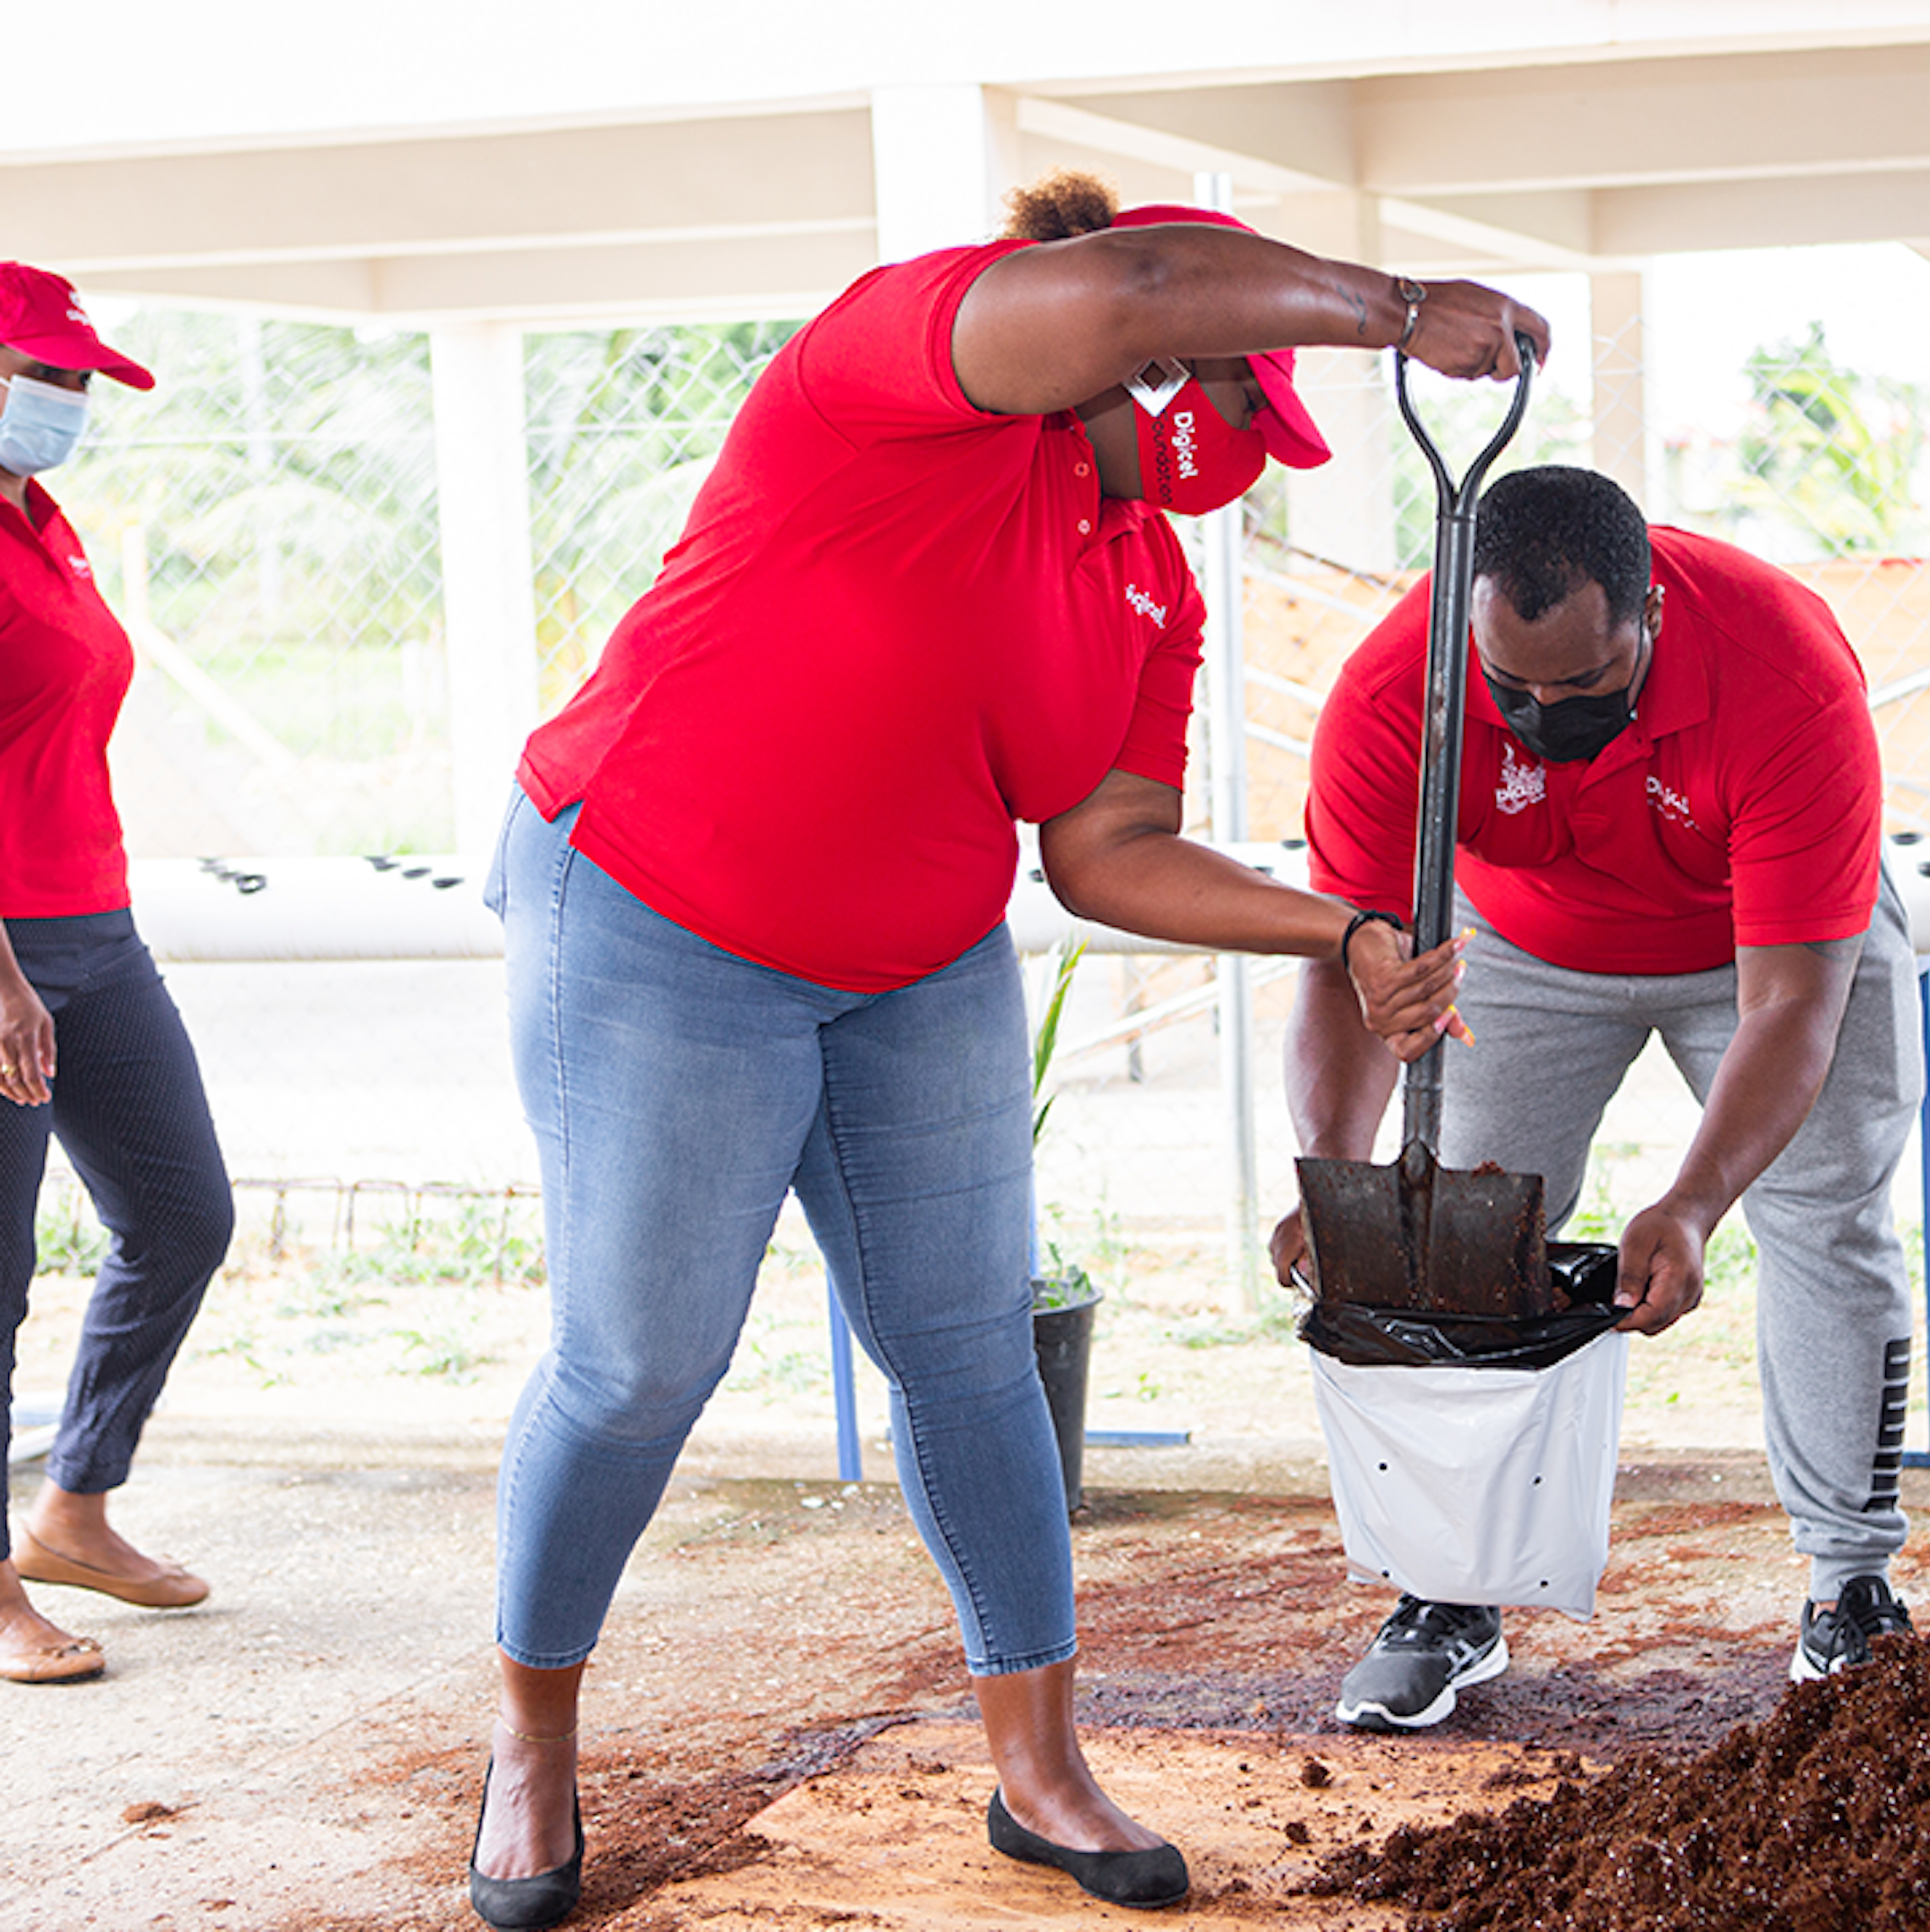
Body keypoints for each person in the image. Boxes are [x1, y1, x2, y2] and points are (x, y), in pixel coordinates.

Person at [467, 170, 1546, 1927]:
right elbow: (1134, 288)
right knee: (644, 1358)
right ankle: (532, 1737)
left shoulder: (1143, 580)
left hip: (916, 955)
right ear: (1148, 363)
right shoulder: (903, 364)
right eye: (1228, 404)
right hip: (660, 916)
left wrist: (1337, 933)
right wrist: (1382, 305)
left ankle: (1038, 1768)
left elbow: (1107, 850)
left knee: (970, 1347)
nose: (1232, 457)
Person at [1273, 464, 1923, 1731]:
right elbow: (1345, 946)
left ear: (1652, 619)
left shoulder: (1781, 668)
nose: (1535, 714)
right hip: (1522, 944)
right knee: (1459, 1227)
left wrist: (1689, 1201)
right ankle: (1450, 1593)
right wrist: (1334, 1175)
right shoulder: (1396, 688)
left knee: (1824, 1223)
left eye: (1581, 686)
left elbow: (1793, 1004)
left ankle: (1850, 1586)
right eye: (1508, 688)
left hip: (1767, 944)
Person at [0, 265, 235, 1686]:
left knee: (181, 1212)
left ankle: (77, 1506)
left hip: (95, 925)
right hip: (5, 956)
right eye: (47, 376)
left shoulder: (43, 524)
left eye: (79, 383)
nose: (66, 404)